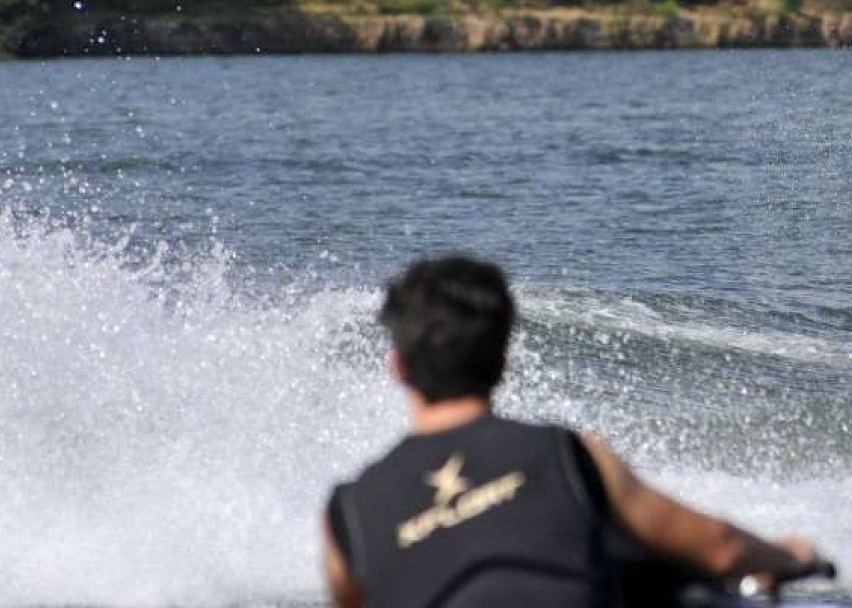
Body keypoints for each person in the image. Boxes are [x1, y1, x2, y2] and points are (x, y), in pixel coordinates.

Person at [323, 255, 826, 608]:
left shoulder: (348, 515)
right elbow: (720, 547)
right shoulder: (566, 457)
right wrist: (791, 556)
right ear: (503, 359)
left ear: (398, 368)